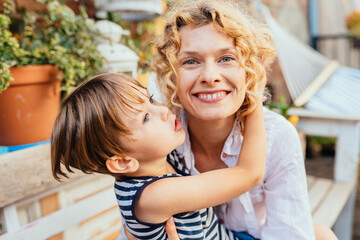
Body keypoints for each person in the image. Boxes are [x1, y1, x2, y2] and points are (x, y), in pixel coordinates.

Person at [123, 0, 338, 239]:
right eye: (190, 61)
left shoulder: (277, 137)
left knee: (322, 234)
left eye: (226, 58)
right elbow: (134, 230)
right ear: (171, 75)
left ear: (250, 71)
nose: (210, 76)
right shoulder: (160, 137)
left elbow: (288, 233)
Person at [51, 72, 269, 239]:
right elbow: (249, 174)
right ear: (124, 161)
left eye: (152, 100)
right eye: (145, 118)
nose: (164, 111)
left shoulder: (154, 161)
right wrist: (255, 101)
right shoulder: (154, 196)